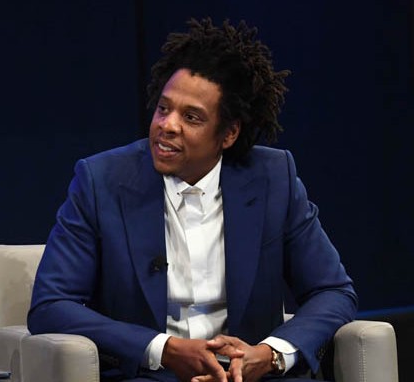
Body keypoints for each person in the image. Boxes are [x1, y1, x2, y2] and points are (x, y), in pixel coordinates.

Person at [27, 18, 356, 382]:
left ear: (228, 134)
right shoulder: (100, 180)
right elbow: (50, 306)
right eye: (163, 108)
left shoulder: (273, 177)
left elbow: (333, 290)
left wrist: (270, 354)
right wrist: (162, 349)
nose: (167, 125)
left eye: (191, 117)